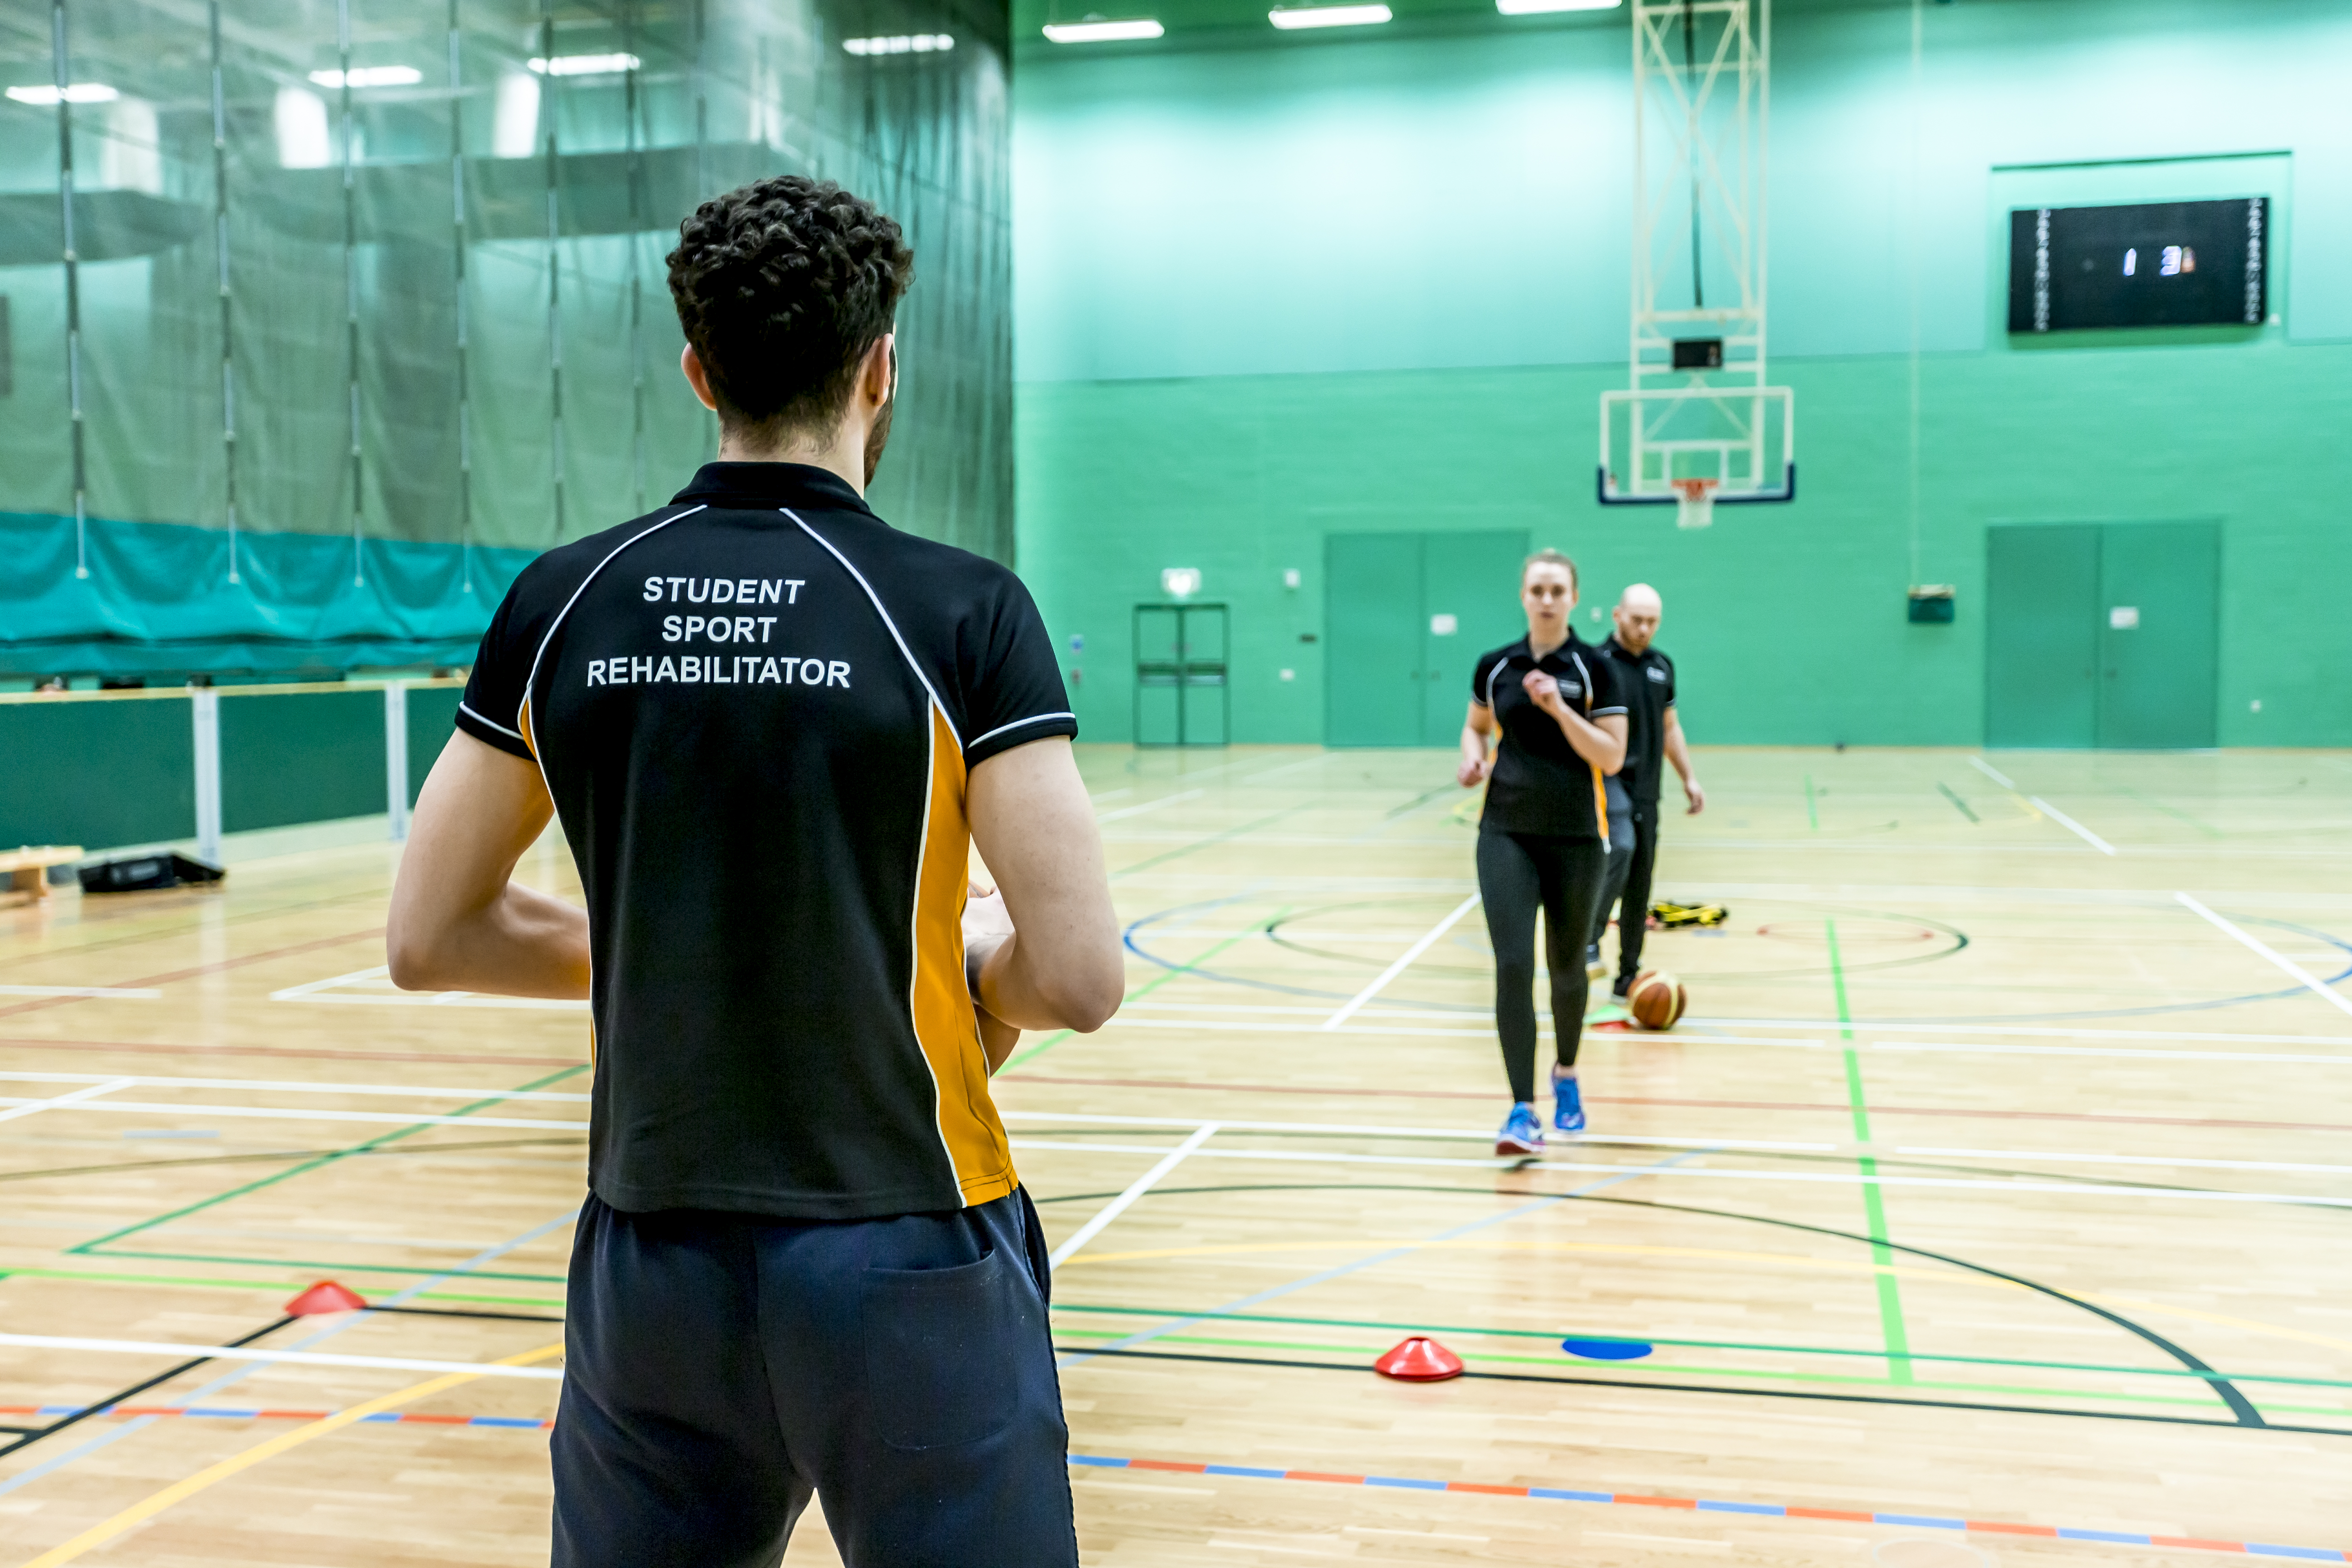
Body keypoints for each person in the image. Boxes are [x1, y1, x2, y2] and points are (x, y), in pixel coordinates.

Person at [385, 175, 1124, 1568]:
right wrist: (956, 972)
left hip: (651, 1266)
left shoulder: (563, 603)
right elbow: (1080, 975)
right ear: (880, 367)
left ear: (697, 368)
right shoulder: (962, 611)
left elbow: (429, 935)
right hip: (909, 1248)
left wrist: (685, 944)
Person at [1457, 550, 1628, 1154]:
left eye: (1558, 589)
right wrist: (1472, 754)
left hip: (1579, 839)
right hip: (1505, 832)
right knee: (1511, 966)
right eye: (1537, 589)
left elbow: (1610, 756)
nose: (1547, 599)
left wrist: (1558, 707)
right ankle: (1521, 1110)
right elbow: (1478, 723)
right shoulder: (1495, 665)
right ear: (1524, 596)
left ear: (1574, 598)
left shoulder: (1595, 669)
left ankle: (1567, 1074)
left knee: (1564, 971)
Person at [1595, 582, 1705, 999]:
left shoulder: (1662, 666)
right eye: (1636, 619)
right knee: (1617, 855)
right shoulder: (1597, 663)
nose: (1644, 629)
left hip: (1646, 789)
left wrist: (1688, 778)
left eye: (1652, 622)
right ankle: (1588, 941)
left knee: (1640, 884)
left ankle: (1628, 973)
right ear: (1617, 615)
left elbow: (1670, 725)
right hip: (1607, 783)